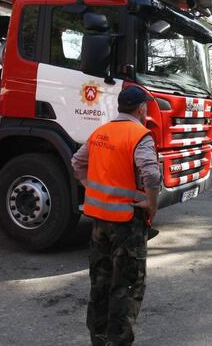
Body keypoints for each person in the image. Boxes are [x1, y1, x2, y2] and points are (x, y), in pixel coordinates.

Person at [72, 86, 161, 346]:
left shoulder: (100, 132)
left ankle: (98, 339)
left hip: (99, 222)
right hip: (127, 224)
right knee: (127, 286)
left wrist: (93, 188)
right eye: (146, 107)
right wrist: (151, 203)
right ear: (141, 108)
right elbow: (152, 175)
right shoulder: (139, 135)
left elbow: (77, 163)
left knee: (100, 283)